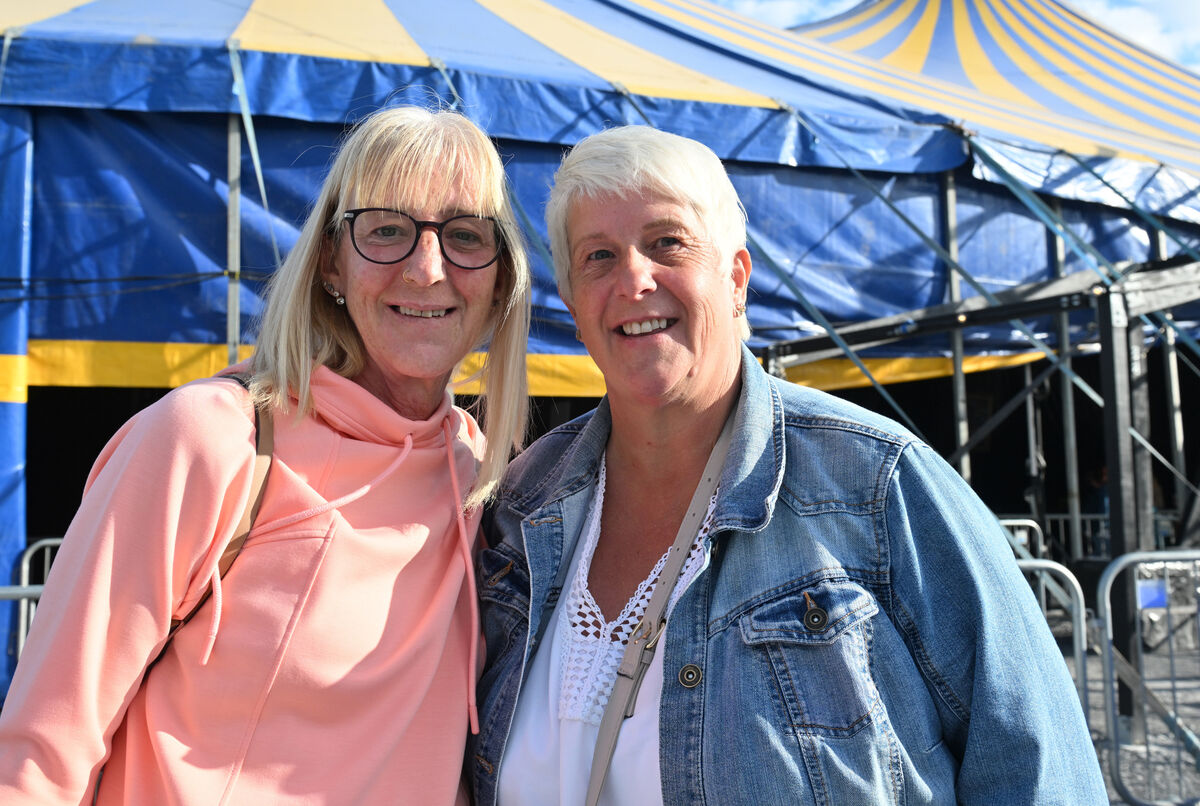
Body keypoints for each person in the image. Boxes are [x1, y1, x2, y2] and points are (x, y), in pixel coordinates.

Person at [471, 126, 1106, 805]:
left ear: (736, 277)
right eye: (598, 256)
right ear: (572, 305)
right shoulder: (524, 502)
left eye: (667, 243)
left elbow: (1039, 773)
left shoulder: (875, 483)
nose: (634, 278)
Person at [0, 105, 531, 804]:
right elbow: (41, 750)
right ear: (332, 265)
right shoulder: (212, 441)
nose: (426, 269)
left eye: (464, 236)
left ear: (498, 280)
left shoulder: (481, 473)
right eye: (387, 231)